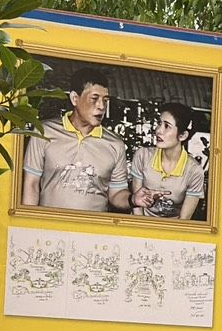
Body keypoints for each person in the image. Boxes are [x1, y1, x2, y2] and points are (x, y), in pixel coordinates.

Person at [20, 68, 129, 213]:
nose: (102, 106)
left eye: (105, 100)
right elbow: (31, 184)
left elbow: (116, 194)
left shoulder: (115, 144)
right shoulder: (44, 132)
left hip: (93, 226)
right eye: (94, 99)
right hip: (49, 224)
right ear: (74, 98)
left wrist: (134, 199)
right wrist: (28, 222)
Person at [129, 103, 206, 220]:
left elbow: (184, 218)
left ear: (183, 136)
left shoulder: (194, 171)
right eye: (159, 123)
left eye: (167, 126)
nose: (158, 130)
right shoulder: (143, 155)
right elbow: (137, 208)